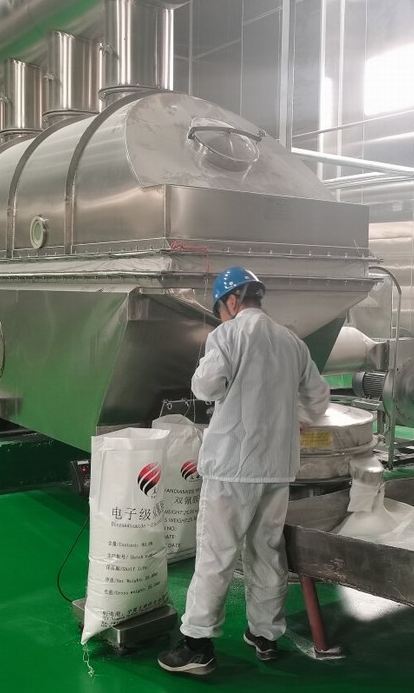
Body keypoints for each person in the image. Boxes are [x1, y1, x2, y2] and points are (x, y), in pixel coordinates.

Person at [158, 266, 331, 675]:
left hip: (232, 468)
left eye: (221, 308)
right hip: (277, 467)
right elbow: (319, 398)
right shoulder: (291, 341)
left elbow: (206, 387)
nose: (222, 315)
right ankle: (265, 635)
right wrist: (296, 417)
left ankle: (197, 645)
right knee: (266, 551)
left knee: (217, 554)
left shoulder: (228, 335)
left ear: (232, 301)